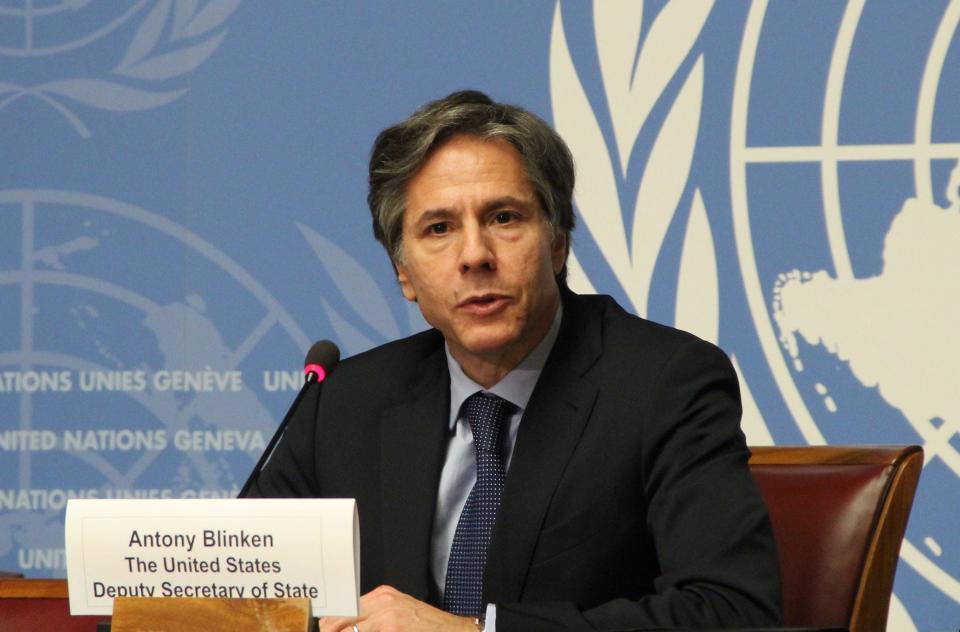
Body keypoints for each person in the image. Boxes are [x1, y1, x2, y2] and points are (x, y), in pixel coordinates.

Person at [245, 90, 782, 631]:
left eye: (503, 218)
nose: (475, 255)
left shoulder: (664, 384)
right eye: (439, 229)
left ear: (557, 241)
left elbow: (731, 610)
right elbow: (243, 598)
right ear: (403, 273)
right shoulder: (345, 402)